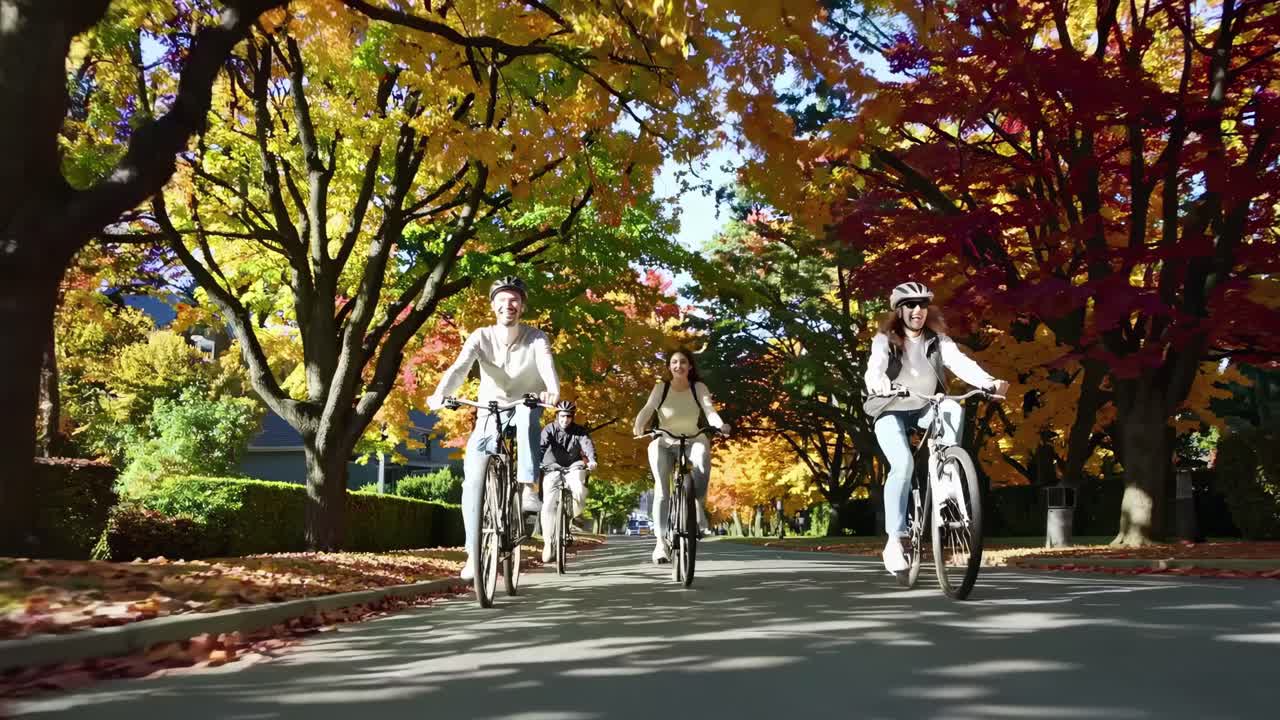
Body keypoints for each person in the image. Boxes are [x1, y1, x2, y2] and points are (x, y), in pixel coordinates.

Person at [864, 281, 1009, 575]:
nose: (917, 310)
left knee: (953, 408)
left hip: (925, 405)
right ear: (899, 311)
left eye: (922, 305)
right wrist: (881, 387)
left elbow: (960, 362)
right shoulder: (885, 339)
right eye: (910, 305)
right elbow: (874, 368)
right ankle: (895, 540)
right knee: (902, 464)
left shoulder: (937, 340)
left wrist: (988, 382)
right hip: (890, 407)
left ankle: (947, 475)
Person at [428, 276, 559, 581]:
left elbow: (546, 365)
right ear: (493, 305)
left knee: (527, 414)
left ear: (522, 306)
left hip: (524, 405)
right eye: (502, 299)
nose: (508, 304)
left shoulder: (536, 337)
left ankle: (527, 488)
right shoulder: (480, 336)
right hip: (490, 411)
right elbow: (459, 368)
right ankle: (474, 554)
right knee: (472, 481)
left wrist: (552, 391)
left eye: (514, 299)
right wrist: (440, 394)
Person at [632, 349, 730, 564]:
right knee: (661, 491)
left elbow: (709, 409)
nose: (679, 366)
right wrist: (639, 425)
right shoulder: (662, 388)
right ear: (669, 366)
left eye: (683, 362)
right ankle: (660, 543)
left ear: (690, 366)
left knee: (703, 452)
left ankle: (696, 503)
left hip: (693, 439)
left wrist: (720, 425)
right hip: (665, 441)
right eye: (674, 362)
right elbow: (648, 408)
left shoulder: (698, 388)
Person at [538, 400, 598, 562]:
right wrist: (538, 462)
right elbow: (541, 446)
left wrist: (591, 460)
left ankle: (569, 515)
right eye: (562, 416)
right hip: (552, 465)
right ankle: (548, 544)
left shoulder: (579, 431)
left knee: (578, 487)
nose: (565, 419)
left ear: (573, 417)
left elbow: (587, 445)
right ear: (557, 415)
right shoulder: (549, 429)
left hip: (574, 464)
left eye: (569, 416)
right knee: (548, 504)